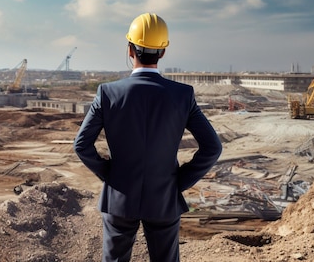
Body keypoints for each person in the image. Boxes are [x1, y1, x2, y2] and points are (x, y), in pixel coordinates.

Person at [74, 13, 222, 262]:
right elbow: (213, 147)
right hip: (163, 198)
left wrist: (111, 175)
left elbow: (81, 145)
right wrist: (177, 183)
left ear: (129, 49)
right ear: (162, 53)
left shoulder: (107, 93)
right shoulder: (183, 95)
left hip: (119, 198)